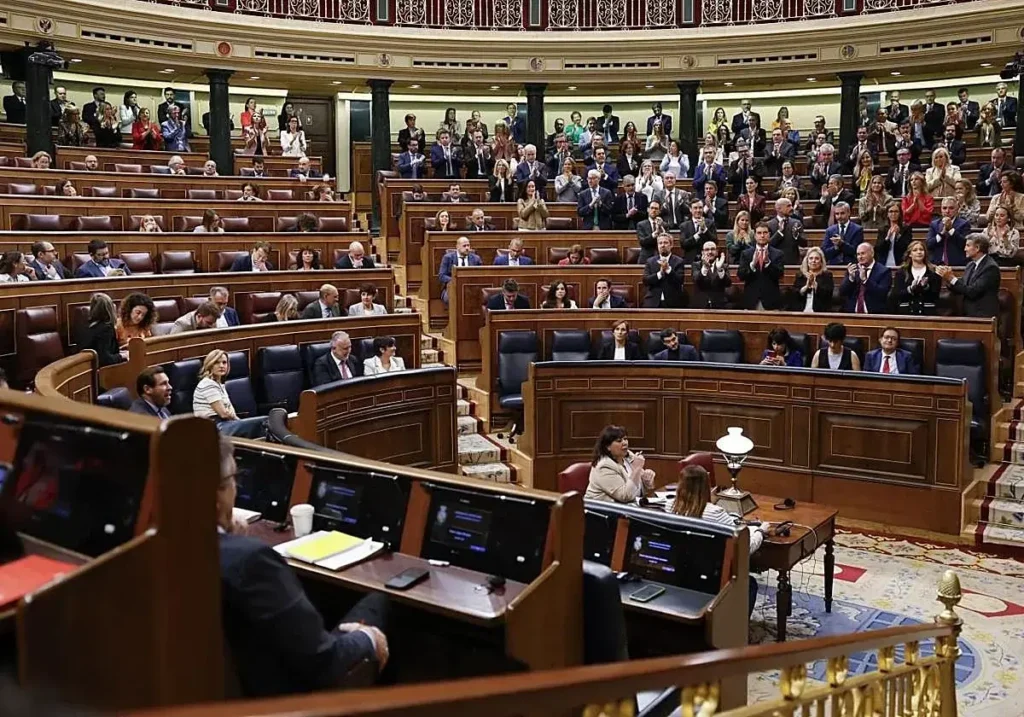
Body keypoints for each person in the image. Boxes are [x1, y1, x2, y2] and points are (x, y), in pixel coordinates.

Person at [670, 464, 763, 616]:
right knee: (749, 584)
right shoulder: (716, 513)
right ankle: (738, 632)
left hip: (677, 572)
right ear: (706, 487)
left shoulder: (670, 507)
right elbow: (745, 547)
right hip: (711, 576)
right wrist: (760, 530)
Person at [193, 350, 266, 439]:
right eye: (217, 362)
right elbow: (223, 413)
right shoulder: (207, 384)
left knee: (265, 424)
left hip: (224, 424)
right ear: (210, 365)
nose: (221, 366)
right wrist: (239, 421)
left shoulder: (219, 384)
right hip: (214, 427)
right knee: (265, 422)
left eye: (224, 362)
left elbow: (230, 410)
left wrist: (239, 421)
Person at [585, 425, 654, 503]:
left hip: (630, 508)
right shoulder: (604, 466)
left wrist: (646, 482)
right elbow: (625, 496)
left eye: (625, 439)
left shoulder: (628, 457)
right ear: (608, 446)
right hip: (603, 511)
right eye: (619, 440)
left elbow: (638, 491)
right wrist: (637, 469)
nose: (624, 443)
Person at [937, 234, 1000, 318]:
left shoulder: (990, 267)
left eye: (968, 246)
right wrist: (948, 279)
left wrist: (951, 278)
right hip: (968, 312)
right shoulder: (970, 265)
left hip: (983, 315)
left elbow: (972, 291)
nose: (965, 249)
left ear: (977, 248)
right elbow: (963, 285)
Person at [737, 223, 784, 310]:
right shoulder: (746, 254)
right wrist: (752, 265)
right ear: (755, 235)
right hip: (751, 300)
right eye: (759, 233)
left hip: (771, 301)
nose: (762, 235)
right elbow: (741, 276)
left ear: (769, 235)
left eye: (765, 233)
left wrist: (768, 263)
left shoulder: (778, 254)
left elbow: (780, 275)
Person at [840, 243, 891, 314]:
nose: (860, 257)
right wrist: (851, 278)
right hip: (851, 313)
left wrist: (865, 280)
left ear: (872, 254)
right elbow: (842, 292)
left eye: (863, 253)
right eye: (858, 254)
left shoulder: (884, 271)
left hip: (874, 314)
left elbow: (882, 293)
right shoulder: (853, 269)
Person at [891, 240, 940, 316]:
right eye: (915, 250)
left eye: (921, 249)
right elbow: (897, 294)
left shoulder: (932, 271)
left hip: (927, 313)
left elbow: (935, 295)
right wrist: (910, 289)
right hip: (906, 313)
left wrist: (925, 287)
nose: (919, 252)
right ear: (910, 254)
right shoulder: (901, 272)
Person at [79, 293, 125, 367]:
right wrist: (122, 356)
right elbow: (105, 359)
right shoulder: (106, 329)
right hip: (99, 371)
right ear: (110, 309)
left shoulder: (87, 326)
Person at [642, 234, 686, 308]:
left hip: (673, 302)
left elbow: (680, 280)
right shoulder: (650, 261)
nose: (663, 245)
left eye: (665, 243)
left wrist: (668, 270)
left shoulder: (679, 261)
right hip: (653, 301)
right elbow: (646, 280)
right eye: (660, 243)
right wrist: (660, 273)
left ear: (671, 245)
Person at [439, 236, 482, 305]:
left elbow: (480, 275)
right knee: (449, 298)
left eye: (468, 245)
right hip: (453, 287)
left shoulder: (476, 259)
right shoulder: (448, 257)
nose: (467, 248)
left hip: (471, 287)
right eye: (464, 246)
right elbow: (442, 276)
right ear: (457, 247)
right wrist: (456, 281)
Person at [927, 197, 970, 266]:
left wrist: (951, 230)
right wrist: (941, 234)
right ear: (941, 210)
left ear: (957, 209)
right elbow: (929, 244)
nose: (947, 211)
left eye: (951, 208)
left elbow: (964, 244)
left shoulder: (964, 224)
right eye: (944, 208)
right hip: (936, 264)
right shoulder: (934, 224)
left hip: (957, 264)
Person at [792, 246, 833, 313]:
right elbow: (794, 295)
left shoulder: (827, 276)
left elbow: (828, 295)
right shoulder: (800, 275)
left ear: (821, 262)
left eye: (817, 258)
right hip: (801, 311)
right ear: (807, 261)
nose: (813, 261)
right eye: (811, 258)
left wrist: (816, 286)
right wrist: (805, 288)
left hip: (820, 312)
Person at [691, 241, 731, 309]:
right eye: (707, 249)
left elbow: (728, 283)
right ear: (702, 252)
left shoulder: (723, 266)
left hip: (720, 305)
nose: (710, 252)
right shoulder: (696, 265)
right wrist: (705, 267)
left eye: (712, 249)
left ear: (717, 252)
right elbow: (696, 280)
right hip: (701, 305)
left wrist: (720, 269)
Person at [876, 202, 913, 269]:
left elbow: (907, 247)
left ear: (900, 214)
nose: (893, 214)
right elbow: (879, 249)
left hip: (900, 263)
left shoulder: (906, 229)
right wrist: (887, 237)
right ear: (887, 214)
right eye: (891, 211)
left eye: (896, 211)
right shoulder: (883, 229)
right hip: (884, 263)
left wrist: (898, 235)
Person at [680, 198, 717, 263]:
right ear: (690, 209)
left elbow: (715, 241)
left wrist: (705, 230)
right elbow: (683, 244)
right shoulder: (684, 225)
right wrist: (698, 234)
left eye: (700, 208)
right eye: (695, 208)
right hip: (690, 261)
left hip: (708, 259)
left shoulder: (710, 223)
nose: (698, 210)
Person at [635, 199, 664, 265]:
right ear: (648, 209)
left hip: (661, 258)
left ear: (659, 211)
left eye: (656, 209)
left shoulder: (664, 225)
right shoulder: (641, 224)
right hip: (646, 258)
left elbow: (668, 240)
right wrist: (654, 234)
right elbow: (642, 242)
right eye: (652, 208)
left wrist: (661, 228)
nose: (654, 210)